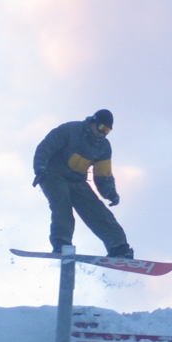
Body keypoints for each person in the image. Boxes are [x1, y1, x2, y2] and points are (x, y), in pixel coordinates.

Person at [32, 109, 134, 258]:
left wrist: (110, 192)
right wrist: (40, 168)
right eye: (101, 128)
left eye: (107, 130)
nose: (103, 133)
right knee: (62, 203)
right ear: (93, 122)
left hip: (77, 180)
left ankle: (118, 247)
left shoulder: (103, 147)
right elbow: (46, 147)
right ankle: (62, 242)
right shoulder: (71, 130)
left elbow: (103, 174)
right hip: (53, 174)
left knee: (96, 210)